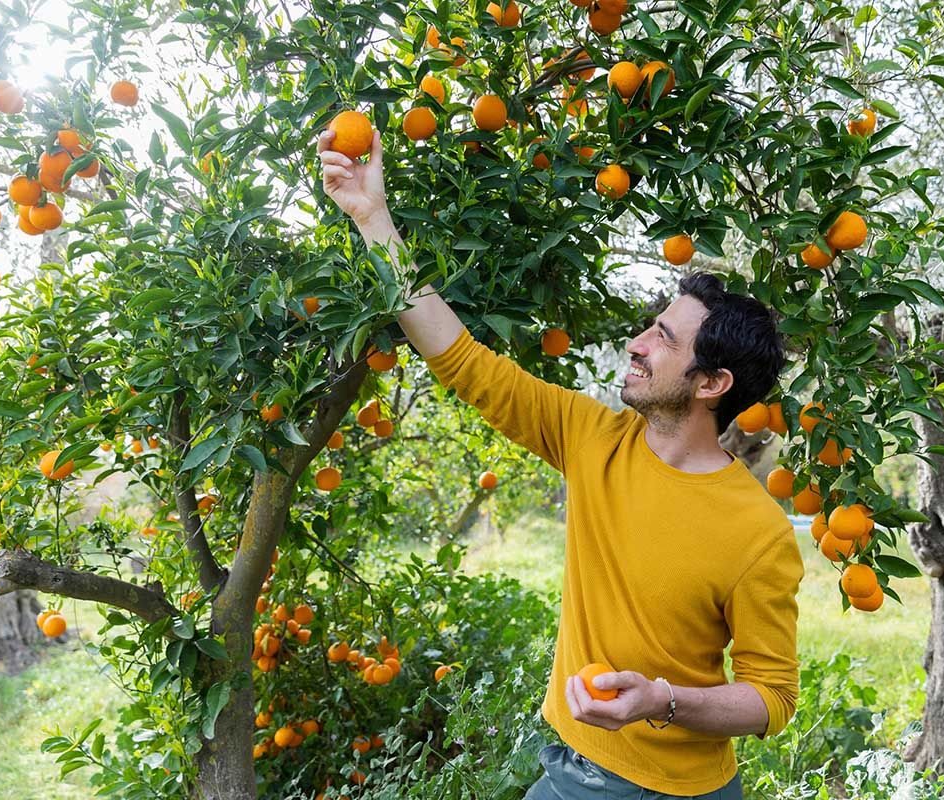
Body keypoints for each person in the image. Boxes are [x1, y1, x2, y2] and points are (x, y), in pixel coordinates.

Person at [318, 128, 804, 799]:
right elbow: (459, 359)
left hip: (670, 786)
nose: (636, 344)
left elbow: (771, 697)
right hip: (574, 766)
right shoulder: (590, 436)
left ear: (711, 384)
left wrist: (661, 700)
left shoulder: (758, 533)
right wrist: (372, 217)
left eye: (662, 338)